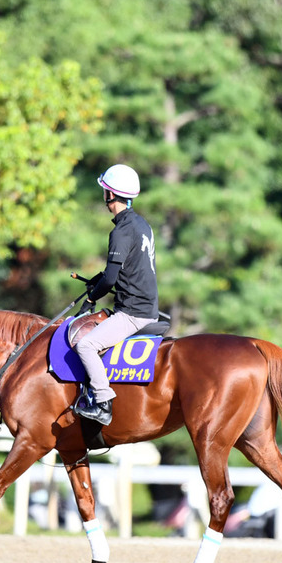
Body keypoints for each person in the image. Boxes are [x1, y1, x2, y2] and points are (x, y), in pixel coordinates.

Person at [73, 164, 159, 426]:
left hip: (133, 312)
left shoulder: (120, 230)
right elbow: (117, 271)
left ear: (109, 195)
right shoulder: (141, 224)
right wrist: (98, 280)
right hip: (147, 306)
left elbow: (111, 279)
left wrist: (90, 299)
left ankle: (102, 403)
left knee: (85, 345)